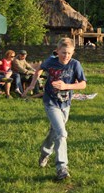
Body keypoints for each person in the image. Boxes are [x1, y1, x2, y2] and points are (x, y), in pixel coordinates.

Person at [23, 38, 87, 181]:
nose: (66, 56)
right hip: (50, 102)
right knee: (62, 133)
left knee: (55, 132)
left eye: (69, 53)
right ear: (57, 51)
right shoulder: (50, 61)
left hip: (65, 103)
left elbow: (83, 84)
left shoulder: (75, 64)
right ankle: (61, 167)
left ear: (73, 52)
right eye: (63, 53)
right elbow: (39, 69)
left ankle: (44, 153)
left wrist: (66, 86)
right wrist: (32, 85)